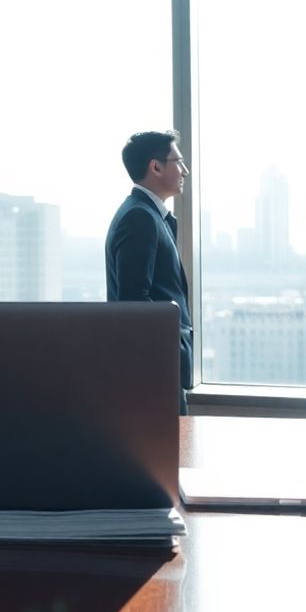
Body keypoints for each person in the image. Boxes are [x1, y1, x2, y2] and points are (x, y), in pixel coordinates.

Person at [105, 130, 194, 413]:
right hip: (154, 371)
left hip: (159, 368)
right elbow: (134, 303)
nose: (185, 171)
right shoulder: (139, 217)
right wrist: (172, 351)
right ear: (155, 167)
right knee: (165, 442)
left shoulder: (150, 215)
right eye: (178, 162)